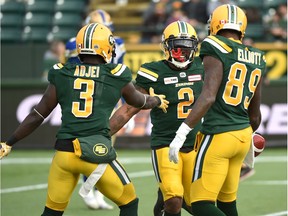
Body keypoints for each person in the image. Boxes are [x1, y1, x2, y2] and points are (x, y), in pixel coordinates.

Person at [0, 23, 169, 216]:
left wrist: (9, 142)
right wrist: (156, 100)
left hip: (63, 155)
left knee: (52, 212)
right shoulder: (116, 74)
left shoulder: (62, 73)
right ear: (105, 47)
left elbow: (38, 114)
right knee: (130, 202)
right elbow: (138, 101)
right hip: (94, 152)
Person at [168, 4, 266, 215]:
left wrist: (182, 132)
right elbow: (255, 115)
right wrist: (247, 138)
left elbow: (208, 96)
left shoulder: (214, 45)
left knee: (200, 203)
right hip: (242, 135)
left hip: (219, 135)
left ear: (215, 23)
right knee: (227, 203)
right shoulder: (257, 56)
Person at [110, 20, 202, 216]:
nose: (182, 53)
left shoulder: (204, 67)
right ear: (167, 47)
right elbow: (128, 109)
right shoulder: (153, 71)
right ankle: (167, 197)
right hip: (165, 144)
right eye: (177, 48)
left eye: (187, 48)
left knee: (198, 205)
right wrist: (102, 133)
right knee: (175, 200)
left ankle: (163, 196)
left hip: (195, 144)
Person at [80, 8, 135, 210]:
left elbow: (117, 74)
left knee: (106, 147)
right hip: (88, 99)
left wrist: (122, 104)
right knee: (91, 146)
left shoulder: (117, 44)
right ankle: (88, 187)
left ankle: (95, 189)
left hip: (109, 99)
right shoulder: (76, 44)